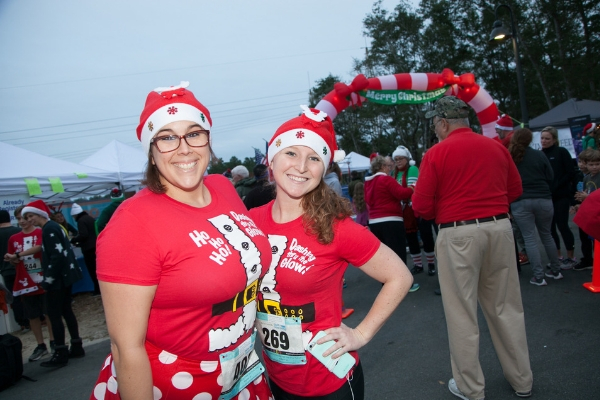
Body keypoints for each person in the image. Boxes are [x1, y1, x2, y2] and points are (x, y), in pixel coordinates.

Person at [90, 82, 273, 400]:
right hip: (175, 382)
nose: (184, 148)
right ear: (150, 150)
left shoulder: (223, 188)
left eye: (194, 133)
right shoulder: (133, 223)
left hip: (242, 373)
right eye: (167, 137)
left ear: (208, 139)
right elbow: (125, 346)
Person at [248, 106, 413, 400]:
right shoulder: (249, 222)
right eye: (291, 153)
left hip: (328, 380)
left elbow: (399, 277)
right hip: (276, 376)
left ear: (323, 169)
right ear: (272, 159)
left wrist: (360, 334)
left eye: (313, 158)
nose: (301, 166)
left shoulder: (336, 227)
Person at [413, 96, 533, 400]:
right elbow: (515, 190)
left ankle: (471, 387)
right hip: (500, 228)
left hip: (458, 233)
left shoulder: (436, 153)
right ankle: (522, 380)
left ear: (442, 123)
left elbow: (422, 206)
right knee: (506, 307)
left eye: (434, 123)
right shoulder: (495, 147)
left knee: (461, 313)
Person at [18, 199, 84, 367]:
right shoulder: (52, 227)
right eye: (27, 217)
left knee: (54, 314)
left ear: (39, 214)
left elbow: (57, 257)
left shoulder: (49, 229)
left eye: (31, 215)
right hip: (65, 276)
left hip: (58, 279)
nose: (29, 220)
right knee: (66, 311)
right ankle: (76, 345)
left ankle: (60, 352)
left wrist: (47, 280)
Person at [508, 128, 563, 285]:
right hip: (543, 199)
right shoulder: (540, 155)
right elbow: (550, 176)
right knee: (547, 235)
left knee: (529, 238)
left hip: (521, 201)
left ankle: (539, 276)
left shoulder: (511, 157)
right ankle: (556, 269)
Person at [5, 205, 55, 361]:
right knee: (32, 315)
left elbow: (40, 248)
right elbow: (14, 260)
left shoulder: (40, 232)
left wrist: (18, 254)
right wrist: (12, 259)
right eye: (19, 218)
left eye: (25, 218)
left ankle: (54, 341)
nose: (22, 221)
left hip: (42, 278)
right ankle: (41, 345)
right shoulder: (14, 238)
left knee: (49, 312)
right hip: (25, 281)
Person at [365, 155, 420, 293]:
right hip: (391, 220)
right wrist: (413, 187)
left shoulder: (368, 183)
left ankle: (387, 283)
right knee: (398, 253)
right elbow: (402, 193)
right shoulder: (386, 179)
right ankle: (404, 284)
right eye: (388, 166)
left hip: (375, 222)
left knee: (384, 255)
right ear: (383, 167)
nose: (390, 169)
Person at [392, 145, 436, 276]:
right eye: (396, 159)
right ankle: (418, 264)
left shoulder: (412, 169)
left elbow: (413, 189)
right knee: (411, 238)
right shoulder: (395, 173)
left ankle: (431, 264)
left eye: (401, 159)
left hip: (416, 208)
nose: (398, 161)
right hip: (404, 210)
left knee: (426, 235)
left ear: (407, 159)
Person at [541, 126, 577, 268]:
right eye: (542, 138)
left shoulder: (561, 152)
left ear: (554, 140)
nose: (544, 141)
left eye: (547, 138)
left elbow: (570, 173)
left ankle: (571, 256)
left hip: (561, 195)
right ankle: (557, 256)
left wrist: (560, 186)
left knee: (562, 225)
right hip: (547, 196)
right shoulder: (540, 154)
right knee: (550, 229)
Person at [0, 209, 27, 330]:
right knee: (28, 293)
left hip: (6, 271)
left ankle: (22, 323)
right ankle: (36, 317)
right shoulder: (19, 231)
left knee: (14, 297)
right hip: (22, 267)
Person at [571, 149, 596, 271]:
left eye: (584, 162)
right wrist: (578, 204)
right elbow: (585, 193)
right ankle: (588, 260)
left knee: (595, 240)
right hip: (588, 212)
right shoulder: (584, 177)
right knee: (585, 237)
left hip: (596, 213)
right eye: (580, 161)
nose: (581, 164)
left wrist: (587, 197)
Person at [70, 203, 99, 296]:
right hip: (96, 246)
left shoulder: (81, 221)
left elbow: (84, 235)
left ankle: (97, 289)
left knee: (92, 270)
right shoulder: (89, 218)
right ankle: (99, 288)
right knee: (97, 269)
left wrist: (73, 240)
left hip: (88, 249)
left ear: (75, 215)